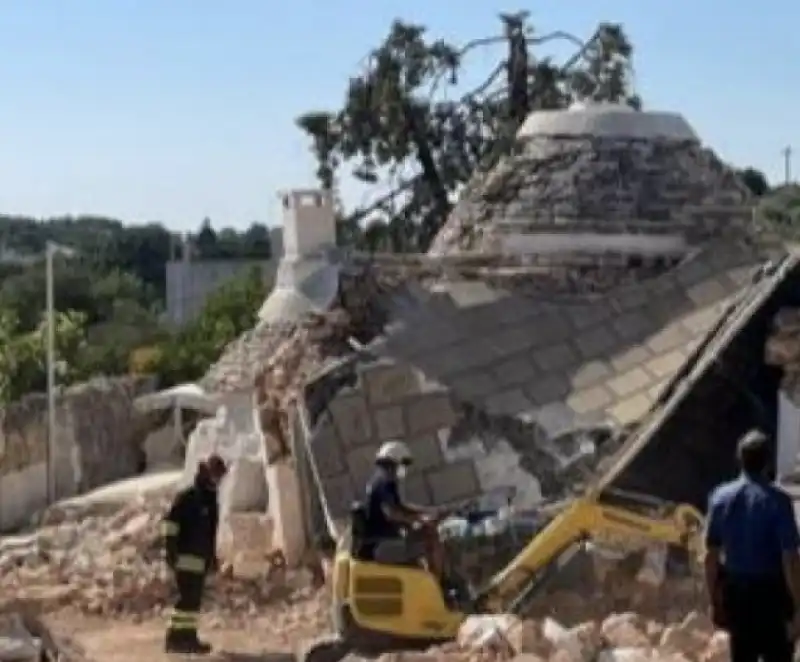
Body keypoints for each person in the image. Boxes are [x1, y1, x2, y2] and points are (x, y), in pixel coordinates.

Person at [705, 429, 800, 662]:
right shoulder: (779, 502)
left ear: (739, 459)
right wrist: (798, 604)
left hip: (737, 597)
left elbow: (711, 557)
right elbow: (790, 559)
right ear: (768, 461)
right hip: (772, 599)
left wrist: (714, 600)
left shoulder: (720, 498)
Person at [161, 454, 227, 655]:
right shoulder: (188, 498)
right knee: (185, 601)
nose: (218, 480)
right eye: (215, 475)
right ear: (207, 473)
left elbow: (210, 534)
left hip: (199, 560)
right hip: (184, 559)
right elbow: (170, 525)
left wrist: (212, 558)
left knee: (193, 602)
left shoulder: (210, 501)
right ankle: (175, 638)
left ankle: (188, 637)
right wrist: (171, 551)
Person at [364, 440, 447, 582]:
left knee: (426, 533)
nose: (403, 468)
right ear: (394, 462)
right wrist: (420, 520)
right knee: (431, 542)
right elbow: (392, 514)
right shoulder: (383, 482)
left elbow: (400, 507)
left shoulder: (383, 480)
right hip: (382, 545)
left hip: (383, 539)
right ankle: (437, 585)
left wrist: (428, 511)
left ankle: (431, 581)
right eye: (403, 464)